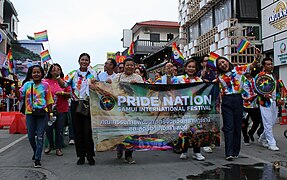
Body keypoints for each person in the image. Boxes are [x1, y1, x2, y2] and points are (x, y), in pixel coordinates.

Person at [214, 49, 260, 161]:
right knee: (229, 127)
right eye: (220, 64)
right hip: (226, 101)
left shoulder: (239, 70)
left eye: (223, 62)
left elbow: (252, 65)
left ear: (227, 62)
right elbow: (209, 85)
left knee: (237, 127)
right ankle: (228, 153)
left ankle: (235, 151)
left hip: (238, 100)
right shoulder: (219, 78)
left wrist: (257, 57)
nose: (222, 65)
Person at [56, 53, 96, 165]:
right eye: (82, 59)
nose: (84, 62)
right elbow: (64, 85)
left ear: (89, 62)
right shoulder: (73, 74)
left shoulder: (93, 74)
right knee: (78, 131)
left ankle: (90, 156)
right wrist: (57, 77)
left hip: (88, 104)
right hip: (75, 104)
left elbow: (98, 87)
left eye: (86, 60)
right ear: (79, 61)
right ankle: (81, 156)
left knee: (88, 132)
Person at [13, 65, 54, 168]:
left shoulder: (45, 85)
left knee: (40, 136)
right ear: (31, 74)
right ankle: (36, 152)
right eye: (34, 72)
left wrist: (50, 114)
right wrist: (16, 84)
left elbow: (49, 100)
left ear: (42, 73)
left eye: (38, 72)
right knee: (31, 137)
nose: (36, 74)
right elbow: (19, 96)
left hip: (42, 113)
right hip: (30, 113)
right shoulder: (27, 84)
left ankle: (37, 159)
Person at [108, 57, 144, 164]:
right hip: (120, 110)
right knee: (120, 131)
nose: (129, 67)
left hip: (133, 110)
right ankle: (120, 149)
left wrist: (137, 86)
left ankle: (129, 155)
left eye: (131, 65)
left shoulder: (138, 78)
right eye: (127, 65)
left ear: (134, 66)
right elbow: (110, 88)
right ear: (124, 66)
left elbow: (144, 91)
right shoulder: (118, 77)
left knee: (132, 133)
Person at [178, 59, 205, 161]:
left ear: (196, 69)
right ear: (185, 68)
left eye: (193, 67)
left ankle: (197, 152)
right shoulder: (179, 79)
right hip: (184, 110)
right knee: (185, 130)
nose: (191, 69)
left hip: (196, 109)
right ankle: (184, 150)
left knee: (196, 131)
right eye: (189, 66)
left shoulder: (199, 81)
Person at [257, 57, 285, 151]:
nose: (270, 66)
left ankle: (262, 138)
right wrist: (263, 95)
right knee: (268, 122)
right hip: (265, 102)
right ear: (264, 66)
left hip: (274, 102)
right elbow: (256, 88)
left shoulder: (274, 75)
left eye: (271, 64)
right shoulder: (260, 76)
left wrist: (280, 99)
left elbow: (279, 88)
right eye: (268, 64)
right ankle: (271, 143)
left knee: (272, 123)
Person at [44, 63, 71, 156]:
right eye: (54, 69)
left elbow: (70, 94)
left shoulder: (64, 82)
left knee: (60, 129)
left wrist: (62, 94)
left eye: (58, 69)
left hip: (62, 109)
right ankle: (50, 145)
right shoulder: (45, 82)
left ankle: (58, 148)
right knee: (48, 129)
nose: (56, 71)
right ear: (50, 71)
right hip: (49, 110)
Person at [196, 55, 216, 153]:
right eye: (205, 61)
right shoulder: (199, 73)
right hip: (203, 100)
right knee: (204, 121)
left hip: (212, 100)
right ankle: (205, 142)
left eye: (209, 61)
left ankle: (211, 140)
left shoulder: (214, 73)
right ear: (201, 63)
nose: (207, 63)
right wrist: (201, 77)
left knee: (212, 121)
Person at [241, 72, 262, 145]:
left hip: (254, 105)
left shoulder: (255, 80)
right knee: (244, 123)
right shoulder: (241, 80)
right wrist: (244, 98)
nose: (248, 73)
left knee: (256, 121)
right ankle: (246, 138)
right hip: (245, 105)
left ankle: (251, 132)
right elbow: (238, 90)